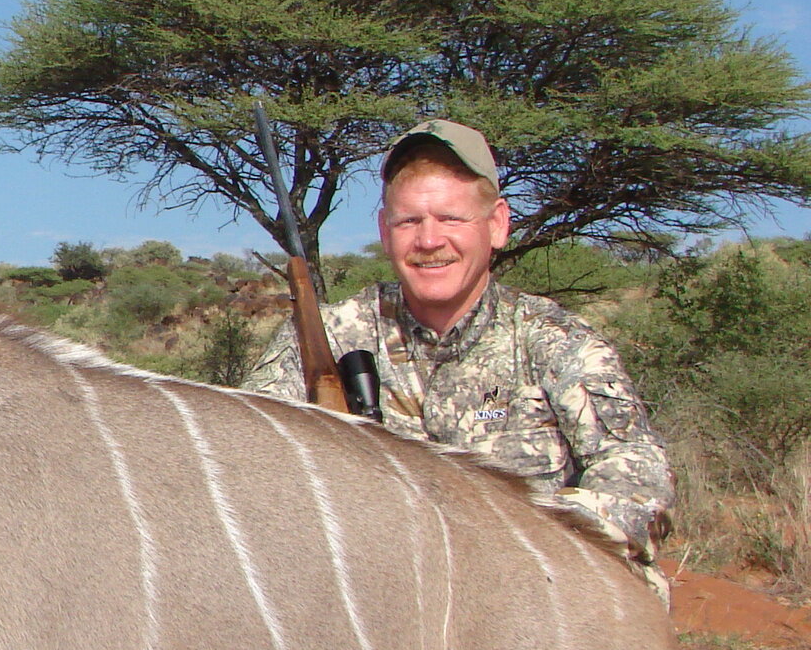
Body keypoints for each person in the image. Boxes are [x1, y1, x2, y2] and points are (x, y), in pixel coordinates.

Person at [242, 118, 674, 585]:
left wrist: (500, 546)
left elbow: (638, 479)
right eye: (410, 221)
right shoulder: (328, 335)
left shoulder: (556, 341)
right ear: (385, 231)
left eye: (451, 218)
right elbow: (246, 461)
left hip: (527, 593)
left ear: (497, 225)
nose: (429, 241)